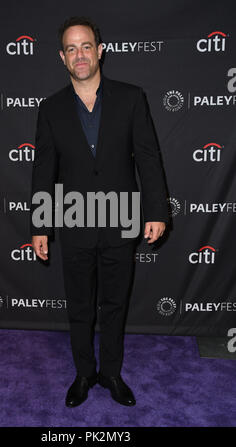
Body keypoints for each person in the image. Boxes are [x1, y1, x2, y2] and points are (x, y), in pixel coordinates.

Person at [30, 16, 169, 407]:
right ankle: (84, 373)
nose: (79, 55)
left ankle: (110, 373)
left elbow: (148, 158)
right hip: (73, 220)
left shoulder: (131, 97)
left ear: (99, 50)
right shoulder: (51, 109)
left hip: (120, 217)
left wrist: (155, 210)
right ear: (62, 57)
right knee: (79, 306)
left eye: (86, 46)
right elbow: (43, 169)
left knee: (115, 303)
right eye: (71, 48)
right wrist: (40, 223)